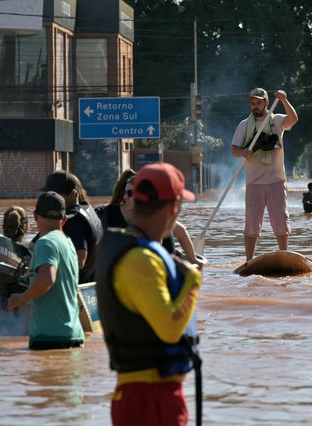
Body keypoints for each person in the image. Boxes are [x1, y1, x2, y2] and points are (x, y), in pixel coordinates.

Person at [96, 163, 202, 426]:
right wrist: (192, 281)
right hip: (149, 398)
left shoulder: (132, 248)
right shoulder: (141, 259)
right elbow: (169, 329)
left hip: (146, 394)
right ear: (172, 208)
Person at [7, 192, 84, 350]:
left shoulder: (45, 243)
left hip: (49, 338)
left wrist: (20, 298)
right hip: (74, 335)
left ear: (35, 216)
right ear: (64, 219)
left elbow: (47, 279)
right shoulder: (68, 243)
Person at [231, 87, 298, 261]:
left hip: (276, 180)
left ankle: (284, 255)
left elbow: (293, 119)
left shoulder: (276, 120)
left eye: (259, 103)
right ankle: (249, 260)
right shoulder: (244, 125)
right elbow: (234, 150)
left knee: (281, 222)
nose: (256, 106)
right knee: (252, 225)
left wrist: (284, 100)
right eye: (253, 103)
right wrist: (243, 152)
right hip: (254, 182)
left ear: (266, 103)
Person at [40, 170, 103, 283]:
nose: (51, 198)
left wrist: (45, 265)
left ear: (72, 194)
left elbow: (79, 262)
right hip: (92, 285)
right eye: (49, 193)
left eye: (56, 195)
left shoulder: (74, 220)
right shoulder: (88, 209)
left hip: (77, 286)